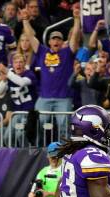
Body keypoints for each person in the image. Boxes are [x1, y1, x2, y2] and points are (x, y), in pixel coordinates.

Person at [24, 8, 81, 140]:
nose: (56, 41)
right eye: (53, 39)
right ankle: (36, 149)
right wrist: (25, 20)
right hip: (44, 98)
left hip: (63, 98)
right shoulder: (42, 51)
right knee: (37, 123)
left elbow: (75, 37)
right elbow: (30, 37)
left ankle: (65, 151)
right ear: (49, 41)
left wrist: (77, 20)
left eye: (59, 39)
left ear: (62, 42)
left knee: (64, 127)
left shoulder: (67, 52)